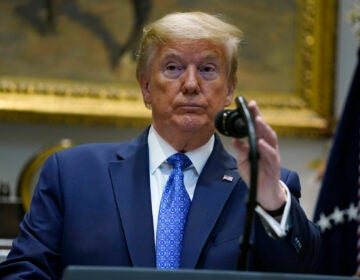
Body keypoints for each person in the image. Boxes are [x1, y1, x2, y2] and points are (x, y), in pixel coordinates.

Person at [0, 11, 322, 279]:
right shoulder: (72, 175)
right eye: (173, 68)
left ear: (229, 90)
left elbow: (304, 272)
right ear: (146, 87)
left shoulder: (265, 188)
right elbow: (23, 272)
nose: (192, 84)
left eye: (208, 69)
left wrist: (270, 199)